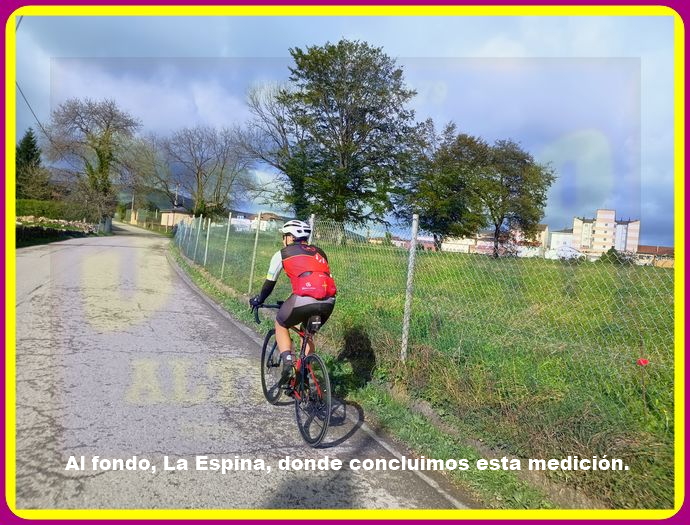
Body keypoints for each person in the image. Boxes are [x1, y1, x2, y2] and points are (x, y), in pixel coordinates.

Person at [249, 220, 336, 384]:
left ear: (290, 237)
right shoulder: (320, 252)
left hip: (303, 298)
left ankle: (288, 363)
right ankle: (304, 372)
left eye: (284, 236)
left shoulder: (282, 253)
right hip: (329, 301)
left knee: (281, 323)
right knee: (307, 334)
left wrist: (259, 300)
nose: (283, 240)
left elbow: (269, 283)